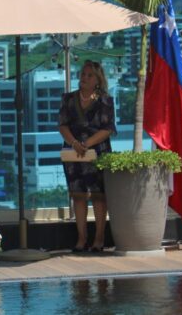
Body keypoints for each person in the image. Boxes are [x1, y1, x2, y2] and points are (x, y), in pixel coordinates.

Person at [58, 60, 116, 253]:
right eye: (83, 74)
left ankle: (99, 239)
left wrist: (86, 144)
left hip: (97, 152)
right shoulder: (68, 99)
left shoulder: (105, 100)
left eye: (89, 75)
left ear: (98, 79)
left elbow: (108, 129)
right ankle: (81, 239)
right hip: (73, 154)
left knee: (99, 197)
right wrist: (75, 143)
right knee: (78, 196)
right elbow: (62, 125)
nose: (84, 78)